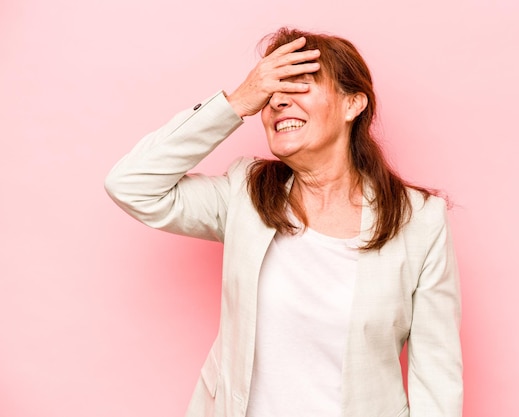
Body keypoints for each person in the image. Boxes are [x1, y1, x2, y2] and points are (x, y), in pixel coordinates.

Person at [105, 27, 462, 417]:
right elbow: (130, 184)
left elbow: (436, 379)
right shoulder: (245, 194)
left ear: (352, 104)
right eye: (270, 90)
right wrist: (238, 101)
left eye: (298, 85)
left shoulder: (419, 220)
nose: (277, 102)